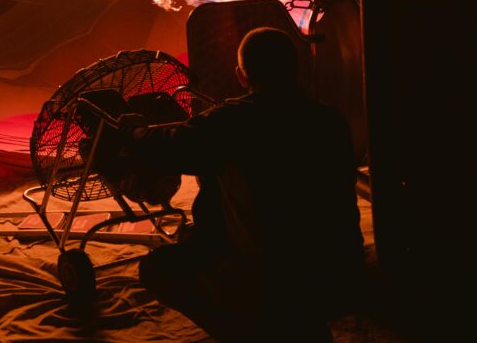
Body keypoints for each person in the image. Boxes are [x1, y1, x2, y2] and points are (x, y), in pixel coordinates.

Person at [98, 27, 364, 341]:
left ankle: (251, 329)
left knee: (159, 269)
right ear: (297, 68)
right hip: (342, 276)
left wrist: (134, 132)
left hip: (279, 283)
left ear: (241, 75)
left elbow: (172, 145)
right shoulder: (329, 119)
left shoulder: (233, 121)